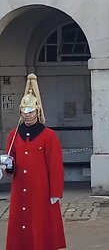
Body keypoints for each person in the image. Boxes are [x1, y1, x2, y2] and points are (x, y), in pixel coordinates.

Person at [1, 74, 66, 250]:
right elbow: (10, 163)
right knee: (20, 228)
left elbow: (55, 166)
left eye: (31, 112)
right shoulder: (13, 135)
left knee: (40, 227)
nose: (28, 115)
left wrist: (55, 192)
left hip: (41, 189)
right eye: (25, 112)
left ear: (38, 112)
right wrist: (8, 166)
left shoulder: (49, 136)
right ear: (20, 112)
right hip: (20, 187)